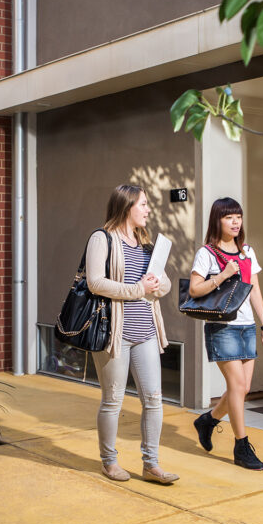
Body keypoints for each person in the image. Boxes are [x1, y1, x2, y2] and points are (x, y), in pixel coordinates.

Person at [85, 184, 179, 484]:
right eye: (144, 204)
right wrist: (139, 288)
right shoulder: (102, 239)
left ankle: (151, 465)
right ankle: (109, 462)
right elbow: (95, 282)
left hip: (146, 331)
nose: (149, 209)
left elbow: (163, 287)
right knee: (113, 400)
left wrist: (156, 284)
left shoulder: (147, 244)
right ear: (126, 206)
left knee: (153, 399)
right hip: (115, 333)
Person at [189, 197, 263, 470]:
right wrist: (224, 274)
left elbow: (255, 290)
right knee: (237, 387)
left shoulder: (248, 251)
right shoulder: (207, 253)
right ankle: (241, 446)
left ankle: (208, 421)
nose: (236, 221)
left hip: (247, 327)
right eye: (229, 217)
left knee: (243, 388)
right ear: (218, 221)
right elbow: (194, 290)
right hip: (222, 327)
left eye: (238, 216)